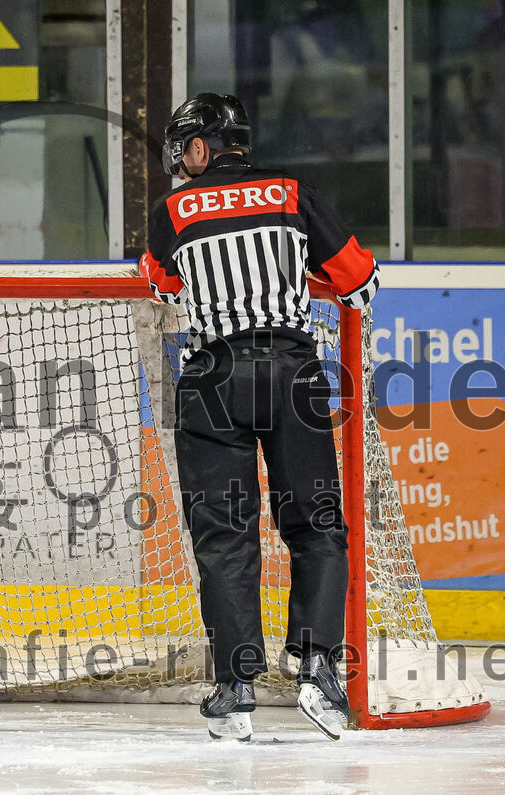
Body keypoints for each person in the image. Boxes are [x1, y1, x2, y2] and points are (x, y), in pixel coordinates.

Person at [141, 93, 379, 741]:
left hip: (213, 380)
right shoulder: (290, 192)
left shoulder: (172, 209)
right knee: (317, 524)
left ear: (200, 148)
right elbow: (360, 281)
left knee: (225, 536)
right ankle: (320, 670)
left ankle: (235, 687)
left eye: (183, 150)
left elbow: (160, 286)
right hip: (292, 374)